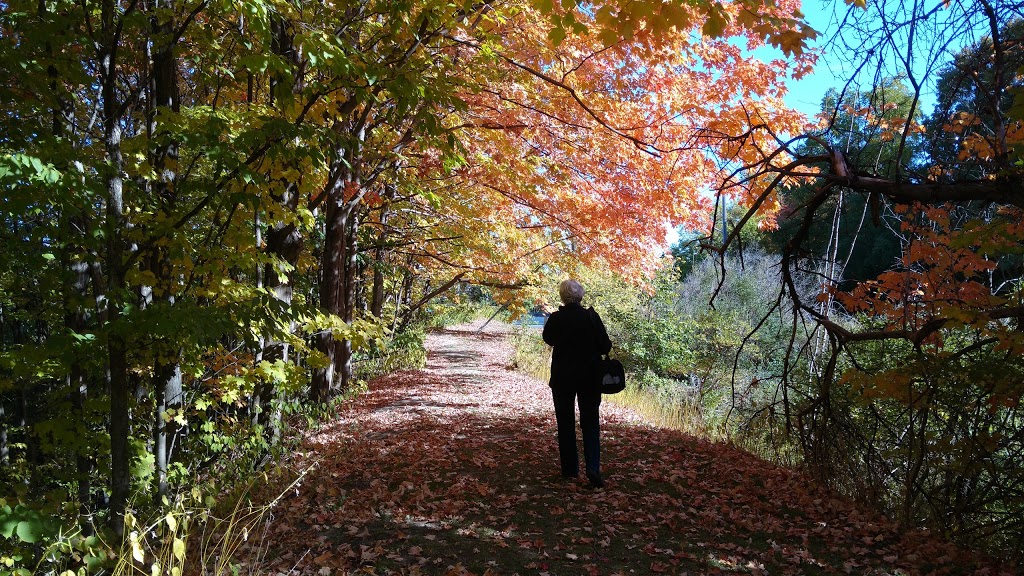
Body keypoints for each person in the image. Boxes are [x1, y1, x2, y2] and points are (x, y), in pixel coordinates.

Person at [542, 279, 612, 488]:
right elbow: (605, 345)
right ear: (580, 296)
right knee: (590, 422)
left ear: (563, 296)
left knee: (565, 423)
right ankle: (592, 467)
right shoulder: (591, 316)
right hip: (590, 378)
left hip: (563, 378)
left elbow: (548, 339)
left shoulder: (556, 318)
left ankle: (570, 470)